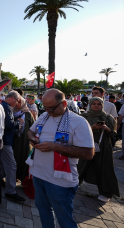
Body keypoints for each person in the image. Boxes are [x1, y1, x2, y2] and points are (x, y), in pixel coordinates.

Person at [27, 89, 94, 228]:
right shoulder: (44, 116)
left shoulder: (79, 122)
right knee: (43, 211)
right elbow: (30, 131)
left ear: (64, 103)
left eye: (51, 108)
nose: (47, 111)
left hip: (60, 181)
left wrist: (55, 147)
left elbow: (88, 153)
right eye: (45, 107)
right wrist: (33, 139)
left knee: (64, 219)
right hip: (38, 174)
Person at [77, 97, 119, 202]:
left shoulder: (108, 117)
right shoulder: (83, 117)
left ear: (102, 105)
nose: (96, 105)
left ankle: (105, 192)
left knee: (104, 168)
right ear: (90, 105)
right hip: (86, 145)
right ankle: (73, 184)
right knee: (80, 165)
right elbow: (77, 131)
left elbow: (114, 134)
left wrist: (107, 129)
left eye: (98, 104)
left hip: (103, 146)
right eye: (94, 104)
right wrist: (92, 128)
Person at [0, 91, 26, 202]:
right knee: (11, 165)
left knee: (1, 163)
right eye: (18, 100)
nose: (17, 103)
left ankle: (0, 181)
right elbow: (9, 124)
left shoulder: (2, 105)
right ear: (13, 98)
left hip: (1, 140)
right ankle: (11, 191)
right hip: (5, 141)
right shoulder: (7, 107)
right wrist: (19, 123)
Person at [13, 96, 35, 182]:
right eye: (16, 102)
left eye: (19, 102)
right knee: (15, 159)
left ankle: (24, 178)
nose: (17, 104)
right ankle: (14, 177)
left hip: (26, 142)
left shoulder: (28, 114)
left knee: (24, 159)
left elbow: (33, 127)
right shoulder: (12, 113)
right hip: (15, 141)